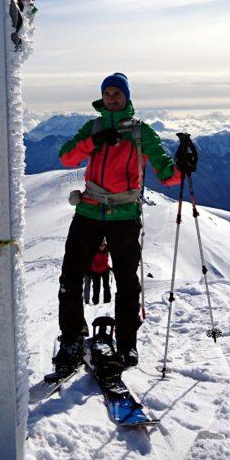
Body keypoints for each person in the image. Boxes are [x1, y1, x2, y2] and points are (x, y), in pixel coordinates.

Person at [54, 72, 181, 374]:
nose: (112, 97)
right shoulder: (93, 128)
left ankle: (126, 342)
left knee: (127, 282)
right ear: (102, 97)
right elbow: (67, 158)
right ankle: (72, 337)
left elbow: (166, 173)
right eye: (107, 93)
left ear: (126, 97)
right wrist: (95, 141)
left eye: (117, 93)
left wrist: (183, 167)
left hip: (124, 217)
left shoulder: (140, 133)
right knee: (69, 279)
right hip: (88, 212)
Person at [83, 240, 112, 306]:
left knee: (106, 286)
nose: (102, 247)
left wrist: (106, 267)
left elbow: (106, 261)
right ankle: (96, 301)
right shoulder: (94, 251)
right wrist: (102, 266)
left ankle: (107, 301)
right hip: (96, 271)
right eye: (100, 246)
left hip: (104, 270)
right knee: (96, 287)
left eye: (103, 245)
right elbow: (94, 264)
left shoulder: (106, 250)